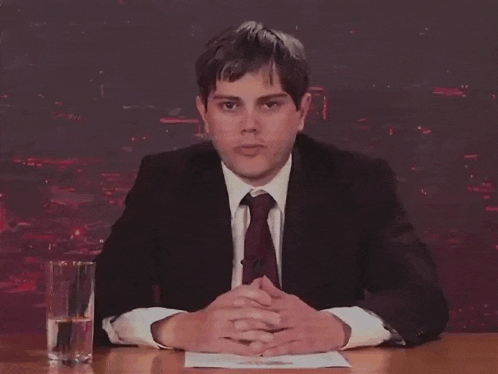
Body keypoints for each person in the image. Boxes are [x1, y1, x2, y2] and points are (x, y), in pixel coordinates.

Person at [94, 21, 449, 356]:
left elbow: (423, 298)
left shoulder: (355, 180)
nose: (250, 126)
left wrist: (335, 327)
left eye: (270, 104)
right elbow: (100, 301)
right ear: (204, 113)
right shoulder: (166, 180)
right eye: (230, 105)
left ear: (302, 111)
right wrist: (179, 329)